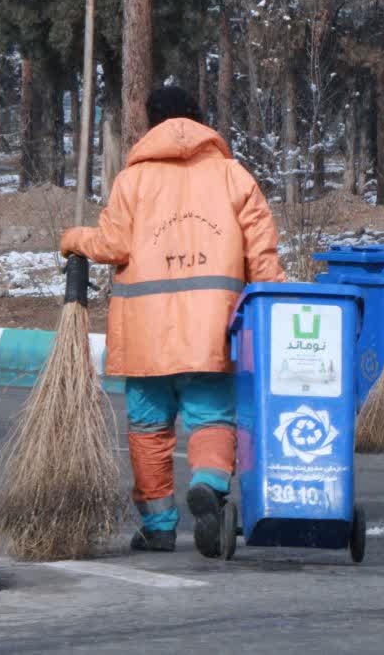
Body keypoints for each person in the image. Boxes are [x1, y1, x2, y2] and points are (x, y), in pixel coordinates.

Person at [60, 87, 285, 554]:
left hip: (146, 335)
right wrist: (271, 300)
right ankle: (208, 484)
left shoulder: (133, 180)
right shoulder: (232, 174)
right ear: (199, 120)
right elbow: (261, 251)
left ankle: (159, 525)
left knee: (148, 427)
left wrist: (74, 238)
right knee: (213, 417)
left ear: (151, 123)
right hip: (212, 331)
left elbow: (113, 245)